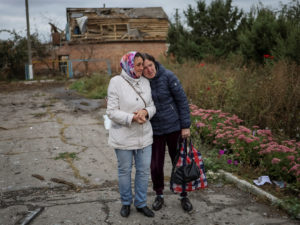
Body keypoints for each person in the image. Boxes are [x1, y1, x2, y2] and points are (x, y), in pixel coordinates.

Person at [106, 51, 156, 218]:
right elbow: (111, 111)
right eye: (138, 65)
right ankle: (126, 203)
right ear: (128, 65)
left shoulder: (145, 82)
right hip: (123, 137)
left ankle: (141, 203)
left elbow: (152, 106)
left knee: (143, 171)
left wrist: (145, 111)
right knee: (125, 171)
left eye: (143, 64)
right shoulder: (116, 82)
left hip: (144, 135)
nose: (142, 68)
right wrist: (132, 118)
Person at [142, 53, 193, 212]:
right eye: (144, 68)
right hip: (155, 130)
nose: (149, 70)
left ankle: (183, 195)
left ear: (154, 63)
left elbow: (182, 101)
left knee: (179, 163)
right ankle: (159, 195)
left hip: (173, 128)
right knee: (155, 166)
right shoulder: (142, 83)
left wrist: (185, 125)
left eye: (150, 65)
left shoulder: (168, 76)